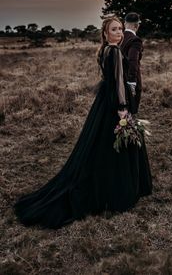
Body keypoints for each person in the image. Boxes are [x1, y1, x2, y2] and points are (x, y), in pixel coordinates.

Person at [13, 16, 152, 230]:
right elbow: (118, 83)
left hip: (104, 103)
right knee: (115, 145)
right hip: (115, 104)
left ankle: (108, 183)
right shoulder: (114, 51)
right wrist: (123, 109)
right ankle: (117, 191)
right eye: (114, 29)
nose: (119, 32)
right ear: (105, 33)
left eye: (121, 29)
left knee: (100, 145)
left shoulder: (104, 50)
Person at [119, 12, 143, 114]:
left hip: (118, 77)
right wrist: (132, 81)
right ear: (137, 25)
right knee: (131, 109)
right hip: (129, 78)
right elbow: (133, 61)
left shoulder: (119, 37)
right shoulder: (135, 40)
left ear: (124, 24)